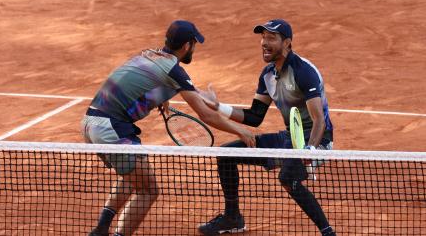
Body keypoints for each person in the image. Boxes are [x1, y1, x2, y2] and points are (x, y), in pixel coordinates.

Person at [82, 20, 256, 236]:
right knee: (148, 190)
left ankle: (101, 229)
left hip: (91, 123)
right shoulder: (175, 71)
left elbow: (141, 81)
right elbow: (206, 114)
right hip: (112, 130)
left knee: (133, 175)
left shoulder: (148, 55)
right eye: (194, 44)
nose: (194, 48)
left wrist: (161, 96)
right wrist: (241, 131)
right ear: (187, 46)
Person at [198, 19, 336, 236]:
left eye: (271, 37)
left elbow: (318, 120)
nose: (264, 42)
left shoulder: (303, 72)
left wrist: (309, 150)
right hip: (289, 139)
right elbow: (254, 117)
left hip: (318, 142)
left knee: (287, 178)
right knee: (226, 155)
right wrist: (219, 107)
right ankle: (232, 218)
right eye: (263, 37)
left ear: (287, 43)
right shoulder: (268, 75)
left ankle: (328, 232)